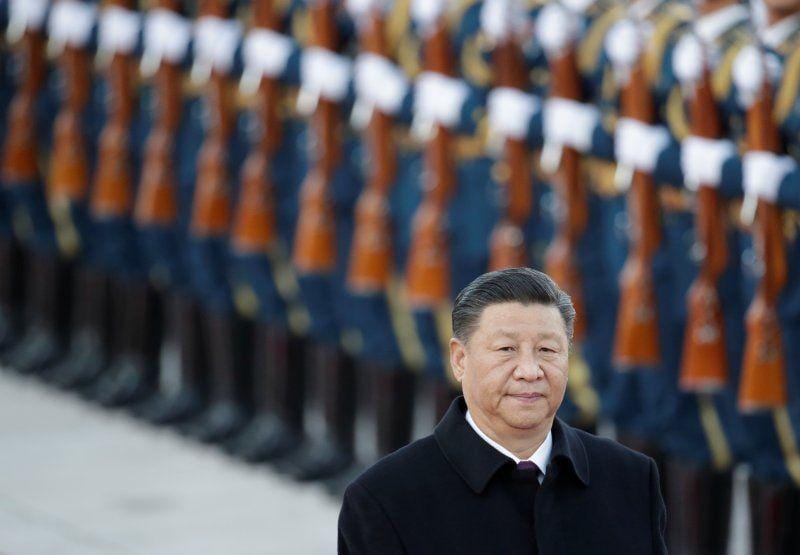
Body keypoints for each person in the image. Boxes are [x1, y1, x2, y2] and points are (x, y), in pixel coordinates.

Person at [338, 267, 667, 554]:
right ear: (460, 359)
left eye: (547, 350)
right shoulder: (384, 500)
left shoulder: (631, 479)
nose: (530, 370)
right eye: (506, 349)